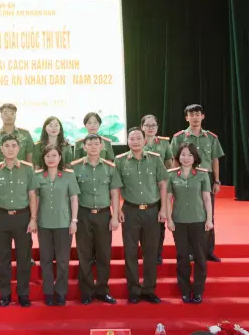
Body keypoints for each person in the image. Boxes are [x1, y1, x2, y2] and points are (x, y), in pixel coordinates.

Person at [114, 127, 168, 304]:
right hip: (130, 211)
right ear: (127, 141)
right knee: (130, 251)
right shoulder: (120, 161)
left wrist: (163, 209)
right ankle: (134, 289)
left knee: (150, 252)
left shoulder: (155, 159)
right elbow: (115, 188)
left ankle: (149, 289)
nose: (135, 141)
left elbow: (163, 185)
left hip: (152, 211)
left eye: (138, 138)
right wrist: (117, 210)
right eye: (132, 138)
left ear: (145, 140)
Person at [71, 134, 122, 305]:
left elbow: (114, 193)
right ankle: (86, 291)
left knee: (104, 254)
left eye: (96, 143)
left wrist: (115, 216)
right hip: (83, 214)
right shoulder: (75, 168)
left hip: (103, 214)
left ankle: (102, 290)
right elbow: (72, 195)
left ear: (101, 146)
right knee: (84, 253)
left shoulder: (110, 167)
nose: (93, 146)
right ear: (84, 147)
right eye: (89, 144)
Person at [0, 134, 36, 308]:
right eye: (6, 146)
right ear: (1, 149)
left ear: (19, 148)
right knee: (3, 258)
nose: (10, 149)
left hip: (23, 217)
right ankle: (5, 294)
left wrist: (33, 218)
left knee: (24, 257)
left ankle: (23, 294)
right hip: (2, 217)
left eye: (13, 145)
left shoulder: (28, 169)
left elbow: (32, 194)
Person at [171, 104, 225, 263]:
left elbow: (215, 159)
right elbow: (174, 160)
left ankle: (208, 251)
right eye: (191, 114)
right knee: (186, 214)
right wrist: (175, 178)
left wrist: (216, 180)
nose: (195, 117)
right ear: (186, 118)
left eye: (197, 114)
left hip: (206, 178)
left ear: (202, 116)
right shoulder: (179, 137)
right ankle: (189, 252)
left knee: (208, 214)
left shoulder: (211, 137)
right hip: (185, 178)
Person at [166, 143, 214, 304]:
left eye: (190, 155)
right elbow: (168, 199)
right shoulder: (172, 175)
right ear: (178, 157)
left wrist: (209, 219)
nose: (186, 158)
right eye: (183, 155)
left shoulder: (202, 175)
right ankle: (185, 290)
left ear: (195, 158)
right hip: (179, 221)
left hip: (198, 220)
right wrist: (169, 219)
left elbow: (207, 198)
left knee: (200, 257)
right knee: (182, 257)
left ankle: (198, 290)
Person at [34, 144, 79, 306]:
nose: (51, 159)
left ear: (60, 157)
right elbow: (35, 200)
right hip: (44, 223)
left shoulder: (68, 176)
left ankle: (60, 292)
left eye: (54, 155)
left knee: (62, 260)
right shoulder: (38, 176)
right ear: (43, 158)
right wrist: (33, 219)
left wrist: (74, 220)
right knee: (45, 259)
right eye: (47, 156)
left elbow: (74, 199)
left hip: (63, 223)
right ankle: (48, 292)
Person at [141, 114, 173, 265]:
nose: (150, 128)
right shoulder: (138, 141)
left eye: (153, 125)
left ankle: (158, 253)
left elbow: (169, 165)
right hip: (144, 189)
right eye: (147, 125)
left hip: (161, 189)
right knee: (144, 224)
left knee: (160, 222)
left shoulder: (164, 143)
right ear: (142, 127)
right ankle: (146, 253)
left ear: (157, 127)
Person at [0, 103, 34, 167]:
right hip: (0, 172)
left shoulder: (25, 134)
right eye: (5, 113)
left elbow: (30, 157)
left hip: (21, 172)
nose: (9, 116)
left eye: (12, 113)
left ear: (16, 115)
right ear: (1, 115)